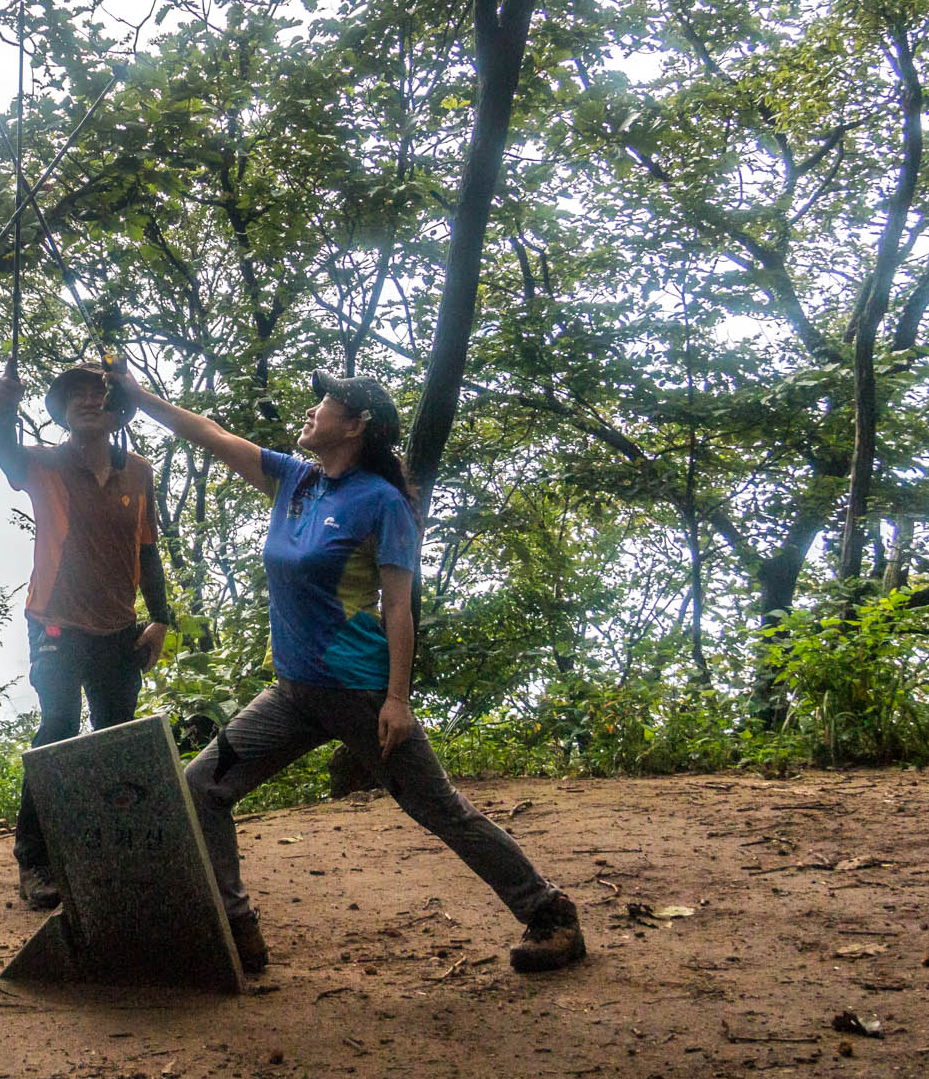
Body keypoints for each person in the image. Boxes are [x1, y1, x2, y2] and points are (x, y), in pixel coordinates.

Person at [110, 364, 587, 976]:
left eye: (326, 403)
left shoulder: (382, 503)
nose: (311, 411)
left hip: (359, 694)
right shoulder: (294, 479)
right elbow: (209, 432)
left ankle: (550, 913)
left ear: (356, 426)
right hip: (292, 695)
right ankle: (237, 930)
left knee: (439, 809)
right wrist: (137, 395)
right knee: (203, 787)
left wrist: (398, 699)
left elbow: (398, 608)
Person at [0, 359, 173, 909]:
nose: (90, 401)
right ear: (62, 411)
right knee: (59, 726)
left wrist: (161, 618)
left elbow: (147, 550)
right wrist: (4, 404)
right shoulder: (43, 463)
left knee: (115, 736)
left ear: (119, 411)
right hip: (55, 622)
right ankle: (35, 859)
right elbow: (2, 452)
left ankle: (109, 848)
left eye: (101, 394)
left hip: (118, 627)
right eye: (77, 395)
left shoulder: (139, 471)